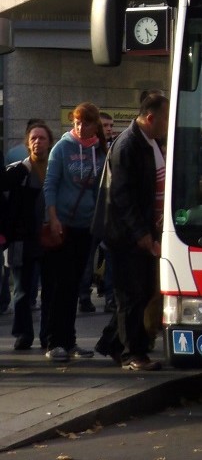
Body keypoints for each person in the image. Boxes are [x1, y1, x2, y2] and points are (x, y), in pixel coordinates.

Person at [93, 92, 170, 371]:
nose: (167, 123)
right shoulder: (128, 145)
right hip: (125, 235)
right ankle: (132, 354)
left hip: (145, 231)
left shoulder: (152, 142)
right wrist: (141, 232)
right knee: (130, 294)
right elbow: (122, 196)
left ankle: (112, 344)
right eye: (164, 118)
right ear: (150, 118)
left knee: (141, 292)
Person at [41, 102, 106, 362]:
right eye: (77, 122)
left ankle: (70, 341)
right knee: (61, 285)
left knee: (77, 283)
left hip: (85, 227)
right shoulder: (62, 148)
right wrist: (53, 218)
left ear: (94, 125)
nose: (80, 127)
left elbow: (99, 189)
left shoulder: (99, 150)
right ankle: (55, 341)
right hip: (63, 226)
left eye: (86, 122)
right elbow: (50, 185)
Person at [2, 121, 53, 350]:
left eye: (42, 138)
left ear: (50, 143)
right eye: (33, 138)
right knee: (22, 290)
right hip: (22, 239)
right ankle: (23, 333)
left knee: (50, 289)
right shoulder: (18, 170)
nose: (37, 142)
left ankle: (48, 334)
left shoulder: (55, 169)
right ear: (27, 142)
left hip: (50, 238)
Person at [79, 111, 118, 313]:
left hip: (109, 213)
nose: (109, 129)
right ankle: (84, 296)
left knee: (111, 255)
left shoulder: (114, 148)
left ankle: (111, 296)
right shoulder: (87, 151)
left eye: (111, 125)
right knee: (88, 257)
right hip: (90, 213)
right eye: (105, 125)